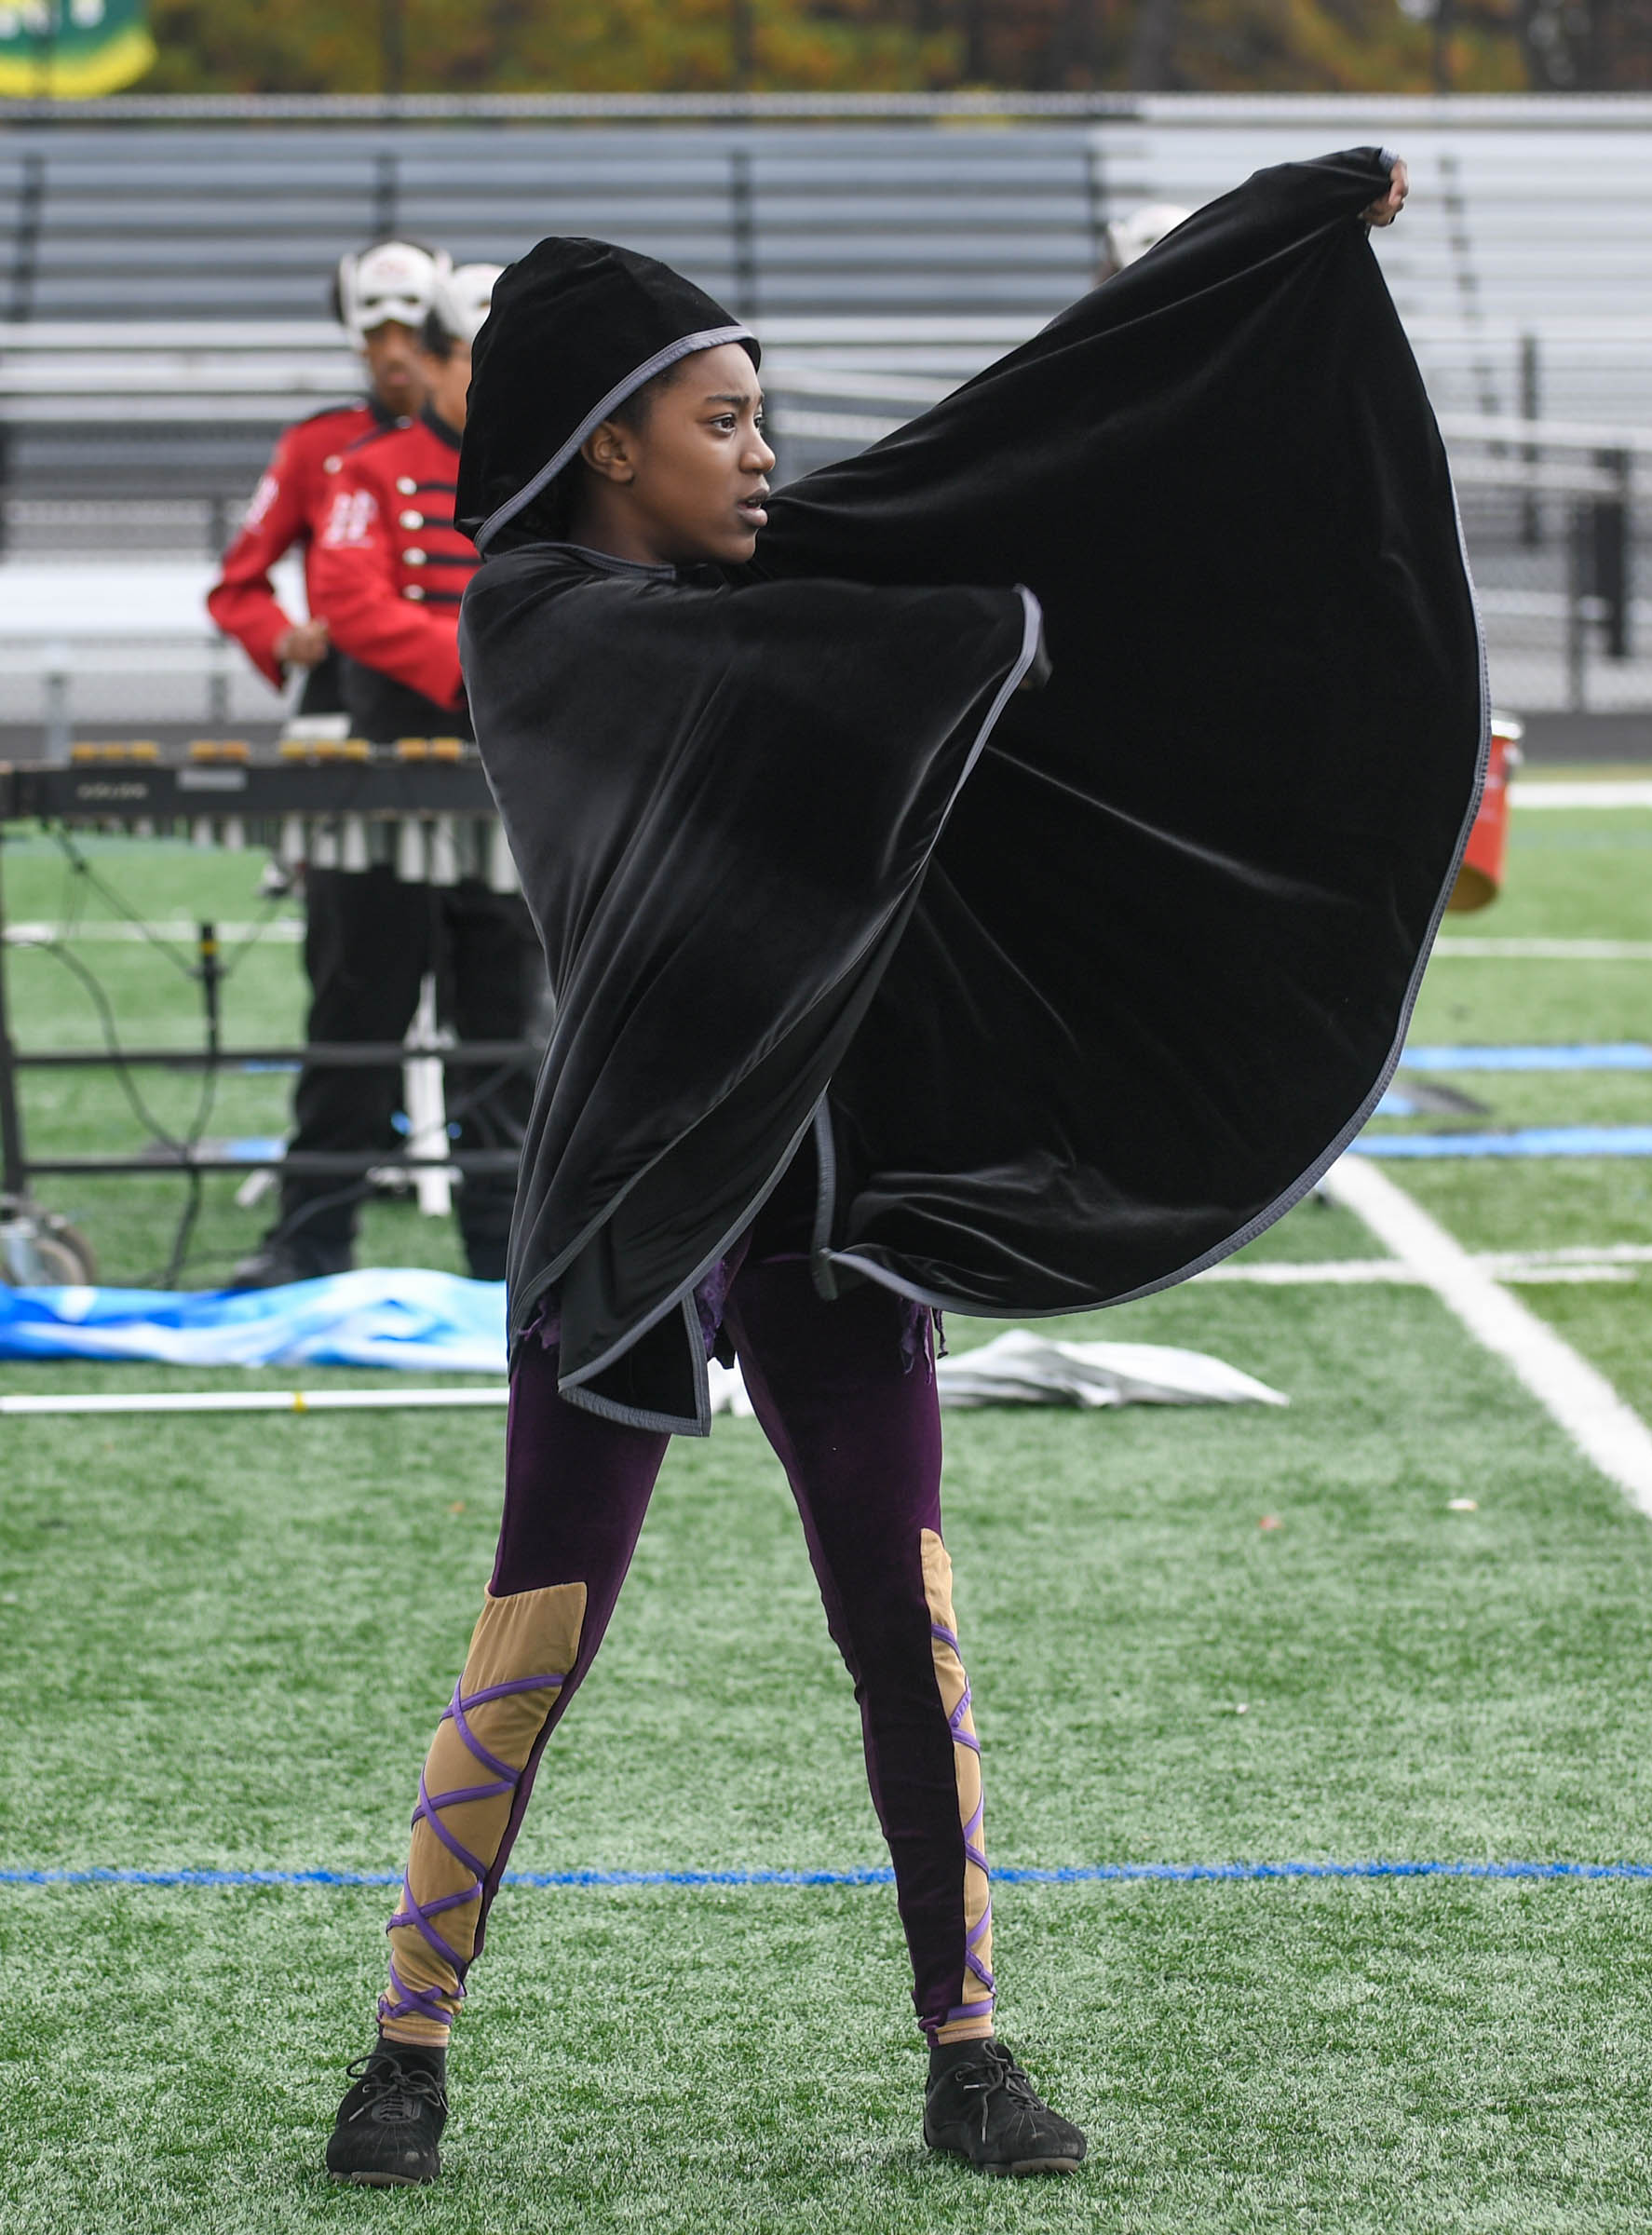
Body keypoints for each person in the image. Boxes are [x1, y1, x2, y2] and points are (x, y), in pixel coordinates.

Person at [326, 147, 1472, 2190]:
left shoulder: (758, 572)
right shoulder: (540, 623)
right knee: (540, 1621)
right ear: (609, 447)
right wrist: (972, 634)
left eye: (765, 416)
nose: (767, 456)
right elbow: (778, 679)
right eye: (724, 419)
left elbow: (1017, 446)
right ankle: (405, 2048)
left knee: (904, 1624)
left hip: (834, 1190)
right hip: (634, 1194)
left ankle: (969, 2048)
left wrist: (1260, 246)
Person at [232, 263, 543, 1289]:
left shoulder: (547, 479)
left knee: (504, 1030)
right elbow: (352, 603)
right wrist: (482, 668)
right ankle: (310, 1245)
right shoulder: (369, 468)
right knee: (354, 1023)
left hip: (503, 788)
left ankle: (504, 1264)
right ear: (450, 359)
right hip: (381, 777)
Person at [207, 238, 449, 729]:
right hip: (346, 691)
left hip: (462, 684)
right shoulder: (315, 445)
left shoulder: (480, 443)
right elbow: (237, 586)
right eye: (379, 335)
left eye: (411, 333)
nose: (395, 353)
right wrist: (283, 637)